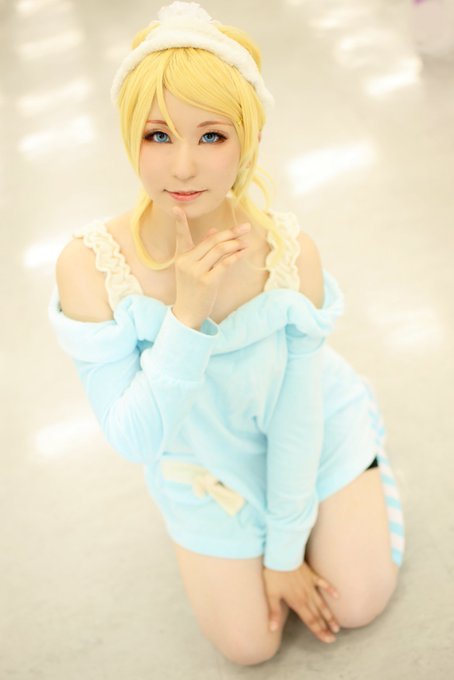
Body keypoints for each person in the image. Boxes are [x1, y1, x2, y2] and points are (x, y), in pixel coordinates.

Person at [48, 1, 405, 667]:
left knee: (358, 600)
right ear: (129, 138)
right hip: (200, 461)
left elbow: (297, 416)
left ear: (248, 141)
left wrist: (285, 551)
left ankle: (365, 448)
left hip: (311, 432)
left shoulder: (290, 253)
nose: (182, 167)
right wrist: (188, 316)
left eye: (211, 136)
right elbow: (136, 439)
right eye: (158, 135)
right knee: (249, 646)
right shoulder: (90, 266)